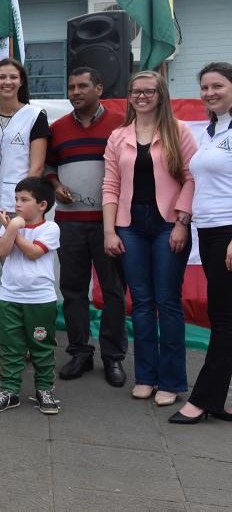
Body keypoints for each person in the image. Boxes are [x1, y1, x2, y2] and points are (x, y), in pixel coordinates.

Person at [103, 71, 196, 406]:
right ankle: (146, 376)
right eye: (135, 91)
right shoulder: (118, 137)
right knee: (141, 303)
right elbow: (110, 186)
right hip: (130, 225)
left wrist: (182, 221)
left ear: (161, 94)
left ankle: (171, 381)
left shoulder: (179, 131)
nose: (142, 96)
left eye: (148, 91)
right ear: (129, 95)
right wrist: (110, 230)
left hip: (167, 224)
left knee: (167, 302)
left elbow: (191, 178)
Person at [45, 67, 127, 386]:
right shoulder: (58, 128)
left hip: (110, 225)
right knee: (73, 291)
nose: (75, 91)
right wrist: (53, 183)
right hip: (70, 224)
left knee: (113, 292)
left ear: (99, 88)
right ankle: (80, 352)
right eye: (71, 87)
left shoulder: (120, 126)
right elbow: (49, 165)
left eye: (82, 86)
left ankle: (113, 357)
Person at [172, 62, 232, 424]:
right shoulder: (214, 130)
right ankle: (214, 399)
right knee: (223, 317)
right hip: (209, 231)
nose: (209, 93)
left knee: (225, 320)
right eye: (204, 87)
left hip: (228, 232)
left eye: (218, 86)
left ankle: (202, 400)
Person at [0, 177, 61, 415]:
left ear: (42, 205)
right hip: (10, 297)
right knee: (10, 346)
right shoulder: (8, 227)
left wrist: (14, 229)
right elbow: (2, 251)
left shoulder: (50, 228)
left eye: (24, 199)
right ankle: (9, 390)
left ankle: (44, 389)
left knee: (42, 346)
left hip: (40, 300)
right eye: (16, 198)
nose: (17, 204)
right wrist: (12, 229)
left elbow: (34, 253)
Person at [0, 59, 50, 247]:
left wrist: (26, 204)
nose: (7, 82)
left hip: (20, 207)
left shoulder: (35, 116)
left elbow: (37, 166)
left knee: (27, 262)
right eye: (2, 77)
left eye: (13, 77)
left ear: (21, 82)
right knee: (9, 263)